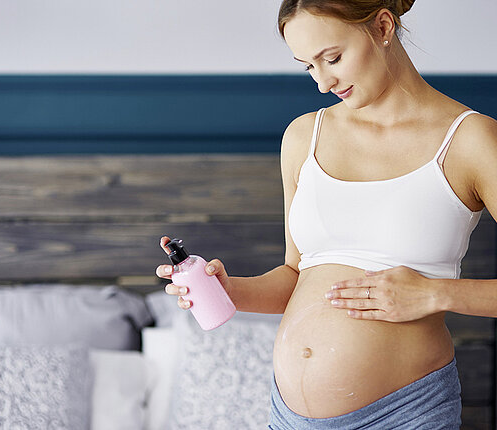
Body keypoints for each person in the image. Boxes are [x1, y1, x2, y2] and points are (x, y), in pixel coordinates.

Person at [156, 0, 497, 428]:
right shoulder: (303, 136)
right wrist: (227, 290)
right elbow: (295, 275)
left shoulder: (470, 140)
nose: (323, 82)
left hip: (405, 413)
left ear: (384, 26)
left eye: (332, 58)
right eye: (308, 66)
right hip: (289, 417)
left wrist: (437, 293)